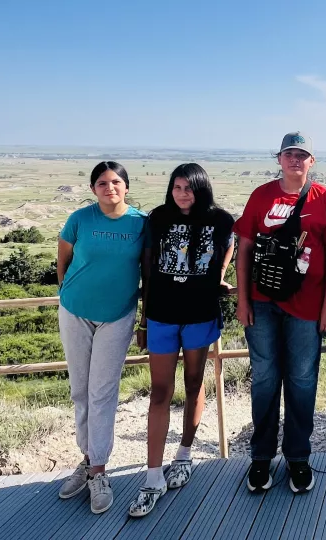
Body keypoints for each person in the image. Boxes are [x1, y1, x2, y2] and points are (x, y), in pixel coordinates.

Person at [234, 132, 326, 494]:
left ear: (312, 162)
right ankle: (261, 458)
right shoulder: (262, 195)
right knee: (265, 380)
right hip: (262, 304)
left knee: (301, 381)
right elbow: (245, 247)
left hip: (308, 306)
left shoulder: (323, 198)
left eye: (303, 155)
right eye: (289, 154)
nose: (295, 160)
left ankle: (298, 457)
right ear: (279, 159)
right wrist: (243, 299)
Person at [128, 163, 234, 518]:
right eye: (177, 187)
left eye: (189, 187)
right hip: (161, 314)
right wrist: (143, 319)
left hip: (200, 313)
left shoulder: (219, 219)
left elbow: (230, 244)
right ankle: (152, 477)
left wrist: (219, 274)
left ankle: (185, 454)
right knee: (159, 392)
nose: (182, 193)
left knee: (193, 383)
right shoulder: (157, 217)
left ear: (201, 189)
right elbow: (147, 269)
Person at [56, 161, 148, 514]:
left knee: (102, 392)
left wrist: (144, 320)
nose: (109, 188)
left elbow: (147, 270)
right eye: (102, 183)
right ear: (93, 188)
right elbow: (63, 258)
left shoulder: (141, 224)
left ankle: (99, 470)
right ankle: (87, 459)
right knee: (79, 389)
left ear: (126, 186)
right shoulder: (80, 219)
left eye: (115, 182)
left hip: (118, 316)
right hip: (75, 311)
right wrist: (67, 292)